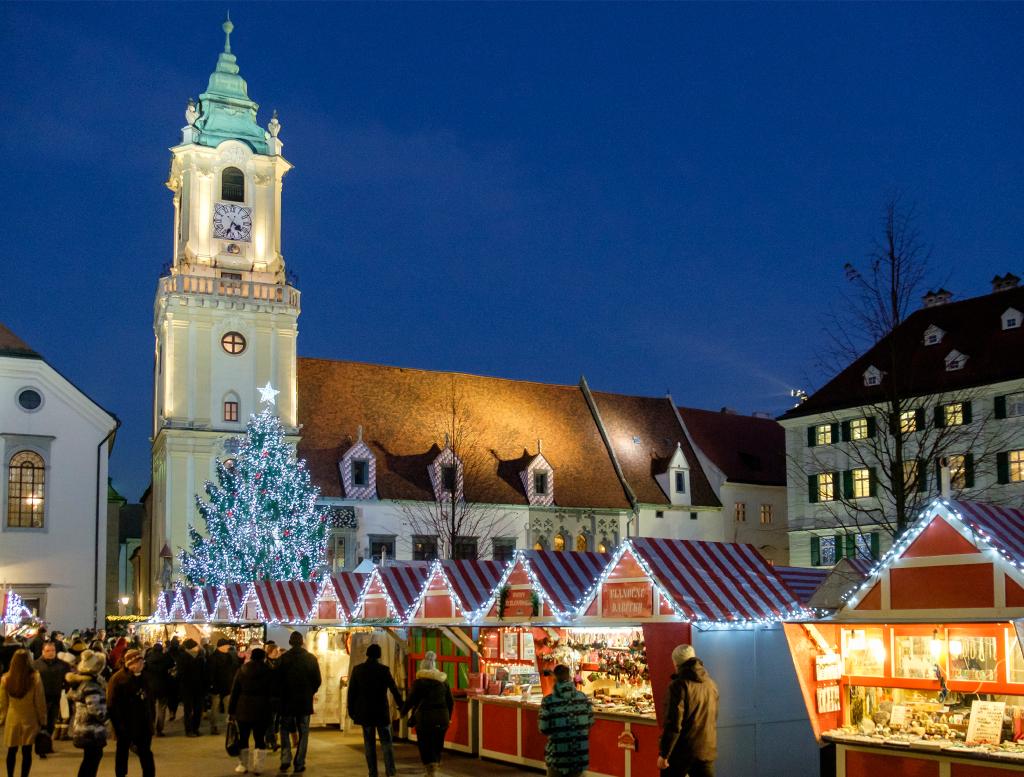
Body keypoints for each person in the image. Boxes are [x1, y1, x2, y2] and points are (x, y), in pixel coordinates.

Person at [657, 644, 719, 777]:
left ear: (676, 663)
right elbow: (713, 717)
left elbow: (673, 723)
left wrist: (664, 753)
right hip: (706, 748)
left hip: (681, 751)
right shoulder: (711, 684)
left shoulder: (678, 686)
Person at [347, 643, 402, 777]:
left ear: (367, 654)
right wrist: (402, 705)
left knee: (369, 743)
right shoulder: (384, 670)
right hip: (381, 711)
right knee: (386, 743)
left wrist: (351, 710)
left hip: (365, 712)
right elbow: (394, 689)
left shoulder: (358, 670)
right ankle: (390, 770)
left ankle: (372, 772)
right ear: (379, 655)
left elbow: (352, 692)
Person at [402, 651, 453, 777]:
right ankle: (435, 767)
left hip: (424, 718)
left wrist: (403, 712)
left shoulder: (419, 682)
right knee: (437, 742)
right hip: (442, 718)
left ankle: (430, 770)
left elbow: (411, 700)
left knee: (425, 743)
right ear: (434, 666)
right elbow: (450, 701)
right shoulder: (443, 681)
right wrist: (448, 717)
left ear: (422, 667)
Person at [538, 664, 594, 777]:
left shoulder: (548, 701)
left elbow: (543, 728)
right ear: (569, 677)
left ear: (554, 678)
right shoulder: (583, 698)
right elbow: (590, 722)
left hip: (557, 756)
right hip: (579, 755)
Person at [276, 632, 321, 774]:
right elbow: (317, 680)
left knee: (284, 730)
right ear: (302, 642)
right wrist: (310, 692)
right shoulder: (311, 659)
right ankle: (299, 762)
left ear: (290, 642)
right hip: (304, 701)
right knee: (304, 732)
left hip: (286, 701)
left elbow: (276, 681)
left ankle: (285, 759)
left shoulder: (283, 659)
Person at [107, 649, 155, 777]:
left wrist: (151, 720)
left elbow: (150, 700)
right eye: (140, 661)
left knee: (146, 753)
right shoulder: (118, 679)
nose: (143, 663)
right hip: (125, 724)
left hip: (144, 724)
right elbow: (111, 705)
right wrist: (118, 727)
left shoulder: (146, 676)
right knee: (122, 753)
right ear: (132, 663)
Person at [0, 649, 46, 777]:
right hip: (30, 718)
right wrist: (43, 719)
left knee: (11, 750)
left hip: (12, 718)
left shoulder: (5, 679)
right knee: (27, 752)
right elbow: (39, 700)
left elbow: (3, 703)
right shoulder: (35, 677)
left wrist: (2, 719)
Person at [227, 647, 273, 775]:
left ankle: (243, 765)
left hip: (243, 708)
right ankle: (258, 767)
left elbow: (235, 691)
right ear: (264, 658)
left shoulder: (242, 670)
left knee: (243, 737)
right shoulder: (269, 671)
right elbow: (273, 692)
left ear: (251, 657)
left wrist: (231, 711)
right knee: (259, 738)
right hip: (262, 709)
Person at [66, 650, 108, 777]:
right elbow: (96, 709)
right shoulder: (91, 686)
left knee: (89, 759)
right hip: (91, 730)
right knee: (92, 760)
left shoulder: (82, 683)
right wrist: (107, 716)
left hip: (83, 727)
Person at [33, 643, 69, 744]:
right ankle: (41, 744)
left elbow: (67, 679)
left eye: (53, 650)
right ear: (43, 652)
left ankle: (47, 743)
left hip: (56, 697)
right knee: (41, 723)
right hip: (41, 698)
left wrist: (65, 691)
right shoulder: (35, 665)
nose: (51, 653)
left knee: (52, 722)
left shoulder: (62, 664)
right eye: (48, 651)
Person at [207, 638, 241, 735]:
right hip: (216, 687)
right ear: (221, 646)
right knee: (215, 707)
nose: (228, 647)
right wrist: (212, 685)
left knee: (229, 707)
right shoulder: (213, 658)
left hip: (227, 686)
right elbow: (210, 673)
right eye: (226, 646)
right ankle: (214, 726)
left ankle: (230, 726)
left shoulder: (229, 656)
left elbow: (234, 668)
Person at [175, 638, 207, 737]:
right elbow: (181, 674)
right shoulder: (182, 657)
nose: (198, 647)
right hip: (187, 687)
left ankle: (195, 728)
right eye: (196, 646)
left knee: (198, 709)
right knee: (188, 710)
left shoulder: (200, 657)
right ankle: (189, 730)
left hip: (199, 687)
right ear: (191, 648)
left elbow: (203, 673)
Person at [142, 644, 173, 736]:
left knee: (151, 708)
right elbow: (171, 666)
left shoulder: (148, 659)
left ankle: (151, 728)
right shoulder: (165, 658)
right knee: (162, 708)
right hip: (163, 686)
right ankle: (159, 729)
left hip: (150, 687)